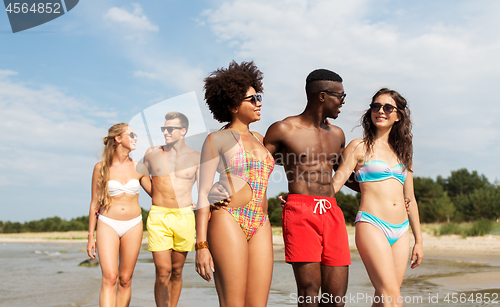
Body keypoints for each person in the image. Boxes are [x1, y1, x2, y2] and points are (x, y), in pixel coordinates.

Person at [209, 69, 356, 307]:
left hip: (331, 211)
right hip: (300, 210)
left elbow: (345, 176)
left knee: (336, 299)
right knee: (309, 292)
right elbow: (252, 163)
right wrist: (219, 187)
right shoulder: (283, 129)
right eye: (340, 95)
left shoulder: (338, 135)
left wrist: (384, 188)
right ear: (322, 96)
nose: (343, 101)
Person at [332, 88, 423, 306]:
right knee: (393, 299)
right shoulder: (358, 147)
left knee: (383, 300)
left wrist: (419, 240)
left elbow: (410, 196)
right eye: (376, 106)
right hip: (372, 224)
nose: (380, 111)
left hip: (401, 230)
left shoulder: (404, 151)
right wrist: (301, 196)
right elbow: (334, 184)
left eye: (387, 107)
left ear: (398, 115)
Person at [195, 60, 275, 307]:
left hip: (261, 222)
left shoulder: (262, 139)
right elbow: (202, 193)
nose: (258, 103)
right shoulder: (217, 139)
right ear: (232, 105)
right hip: (228, 218)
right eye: (251, 99)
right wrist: (200, 245)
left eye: (258, 96)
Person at [87, 123, 151, 307]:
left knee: (125, 279)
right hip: (107, 224)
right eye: (131, 134)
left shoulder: (140, 167)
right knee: (110, 278)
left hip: (134, 225)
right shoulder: (101, 167)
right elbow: (94, 203)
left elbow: (157, 193)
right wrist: (91, 236)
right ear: (118, 138)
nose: (135, 138)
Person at [142, 112, 200, 307]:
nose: (165, 132)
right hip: (159, 215)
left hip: (185, 216)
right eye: (163, 129)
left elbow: (204, 190)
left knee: (177, 270)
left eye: (170, 129)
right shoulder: (152, 152)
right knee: (162, 270)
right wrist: (155, 193)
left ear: (183, 131)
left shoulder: (197, 157)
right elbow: (140, 175)